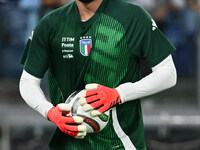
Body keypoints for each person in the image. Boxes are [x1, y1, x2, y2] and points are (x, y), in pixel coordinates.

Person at [19, 0, 177, 149]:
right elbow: (28, 81)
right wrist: (50, 112)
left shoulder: (133, 16)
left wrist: (118, 94)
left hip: (122, 144)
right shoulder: (50, 23)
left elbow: (168, 73)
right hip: (67, 145)